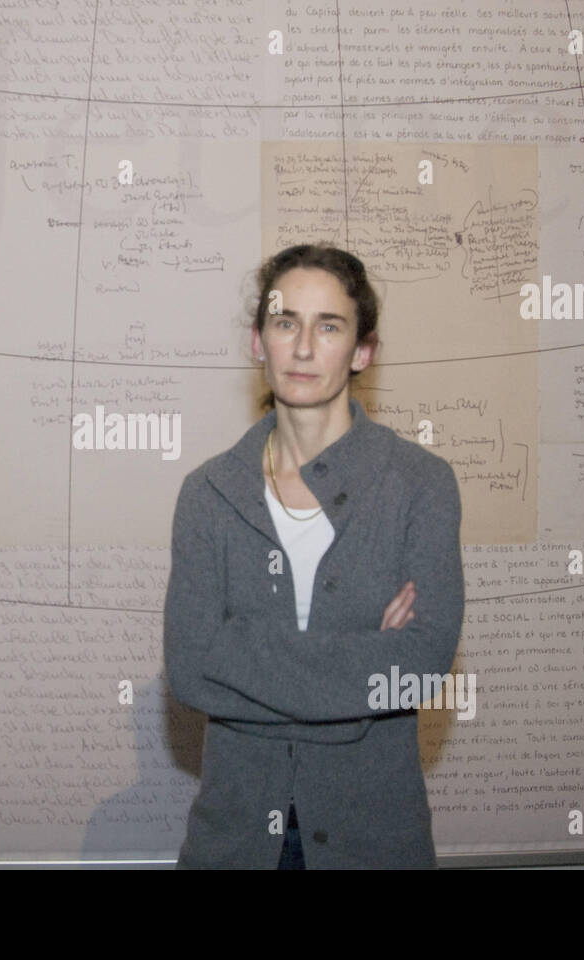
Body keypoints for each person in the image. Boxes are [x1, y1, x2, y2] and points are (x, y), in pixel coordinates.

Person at [164, 244, 465, 868]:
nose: (302, 348)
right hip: (236, 840)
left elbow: (420, 666)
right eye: (284, 322)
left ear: (362, 351)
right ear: (258, 342)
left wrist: (243, 654)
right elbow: (192, 668)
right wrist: (365, 669)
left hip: (374, 842)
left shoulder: (420, 484)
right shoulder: (209, 493)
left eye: (328, 326)